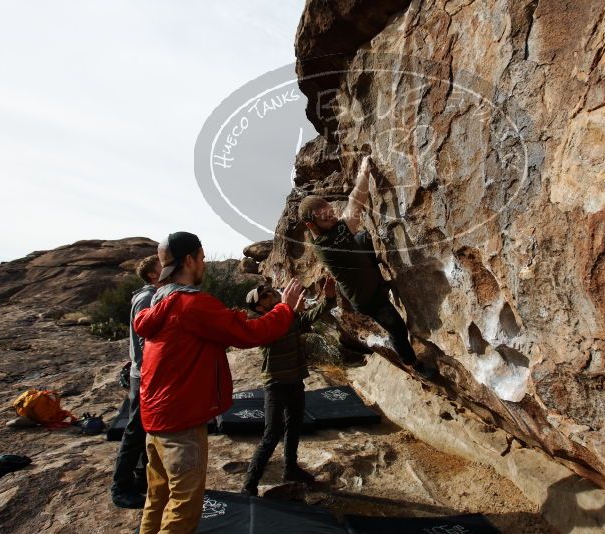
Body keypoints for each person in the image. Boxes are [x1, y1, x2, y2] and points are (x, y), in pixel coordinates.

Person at [133, 231, 305, 534]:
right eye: (201, 258)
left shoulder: (158, 301)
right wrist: (285, 308)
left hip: (155, 418)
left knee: (158, 498)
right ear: (189, 259)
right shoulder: (190, 304)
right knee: (185, 507)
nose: (204, 264)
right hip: (181, 421)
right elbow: (249, 334)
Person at [298, 156, 435, 378]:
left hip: (366, 277)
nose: (332, 219)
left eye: (332, 213)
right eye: (326, 218)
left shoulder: (333, 232)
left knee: (361, 237)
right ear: (310, 225)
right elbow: (356, 202)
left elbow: (354, 206)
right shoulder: (327, 245)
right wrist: (364, 173)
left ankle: (379, 277)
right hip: (367, 298)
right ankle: (414, 366)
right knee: (397, 328)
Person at [240, 277, 337, 496]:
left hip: (295, 380)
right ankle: (249, 485)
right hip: (275, 384)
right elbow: (275, 336)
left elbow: (312, 316)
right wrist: (290, 310)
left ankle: (290, 469)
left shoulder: (288, 317)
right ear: (259, 307)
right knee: (272, 434)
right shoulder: (262, 324)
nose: (270, 294)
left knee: (293, 427)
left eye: (269, 291)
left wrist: (328, 298)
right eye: (264, 295)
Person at [111, 254, 163, 509]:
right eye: (162, 266)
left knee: (143, 428)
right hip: (144, 374)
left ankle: (142, 479)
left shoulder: (149, 295)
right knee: (135, 431)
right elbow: (146, 338)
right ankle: (120, 488)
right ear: (153, 274)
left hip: (141, 373)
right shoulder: (147, 298)